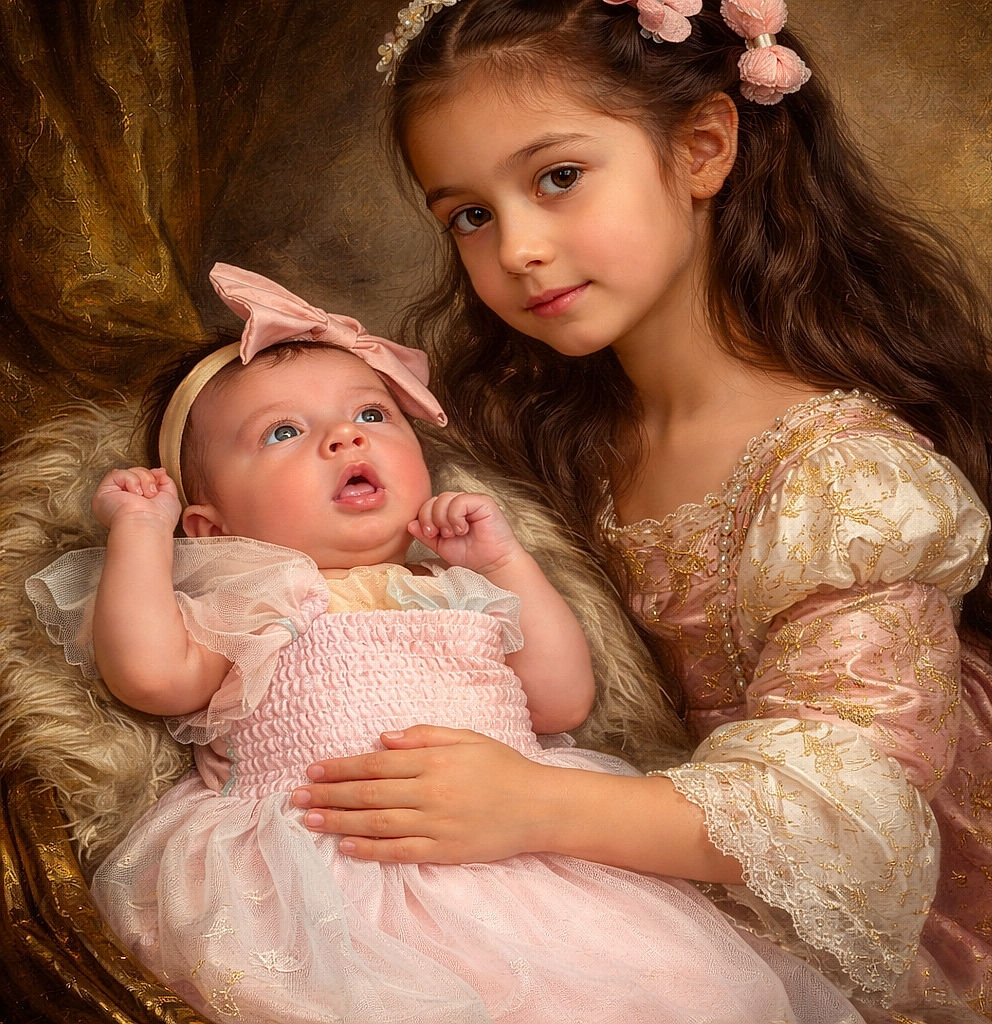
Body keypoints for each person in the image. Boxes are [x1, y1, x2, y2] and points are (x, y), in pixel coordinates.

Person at [289, 2, 992, 1021]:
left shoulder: (845, 480)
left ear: (703, 146)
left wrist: (531, 802)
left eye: (556, 178)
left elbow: (846, 804)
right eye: (470, 214)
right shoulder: (537, 432)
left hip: (893, 922)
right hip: (614, 873)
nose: (520, 249)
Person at [26, 263, 864, 1024]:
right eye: (283, 432)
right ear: (211, 527)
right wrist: (143, 533)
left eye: (370, 413)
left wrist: (506, 561)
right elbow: (151, 674)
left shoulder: (455, 584)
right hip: (330, 868)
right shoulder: (261, 591)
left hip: (524, 854)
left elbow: (561, 699)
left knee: (666, 991)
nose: (346, 438)